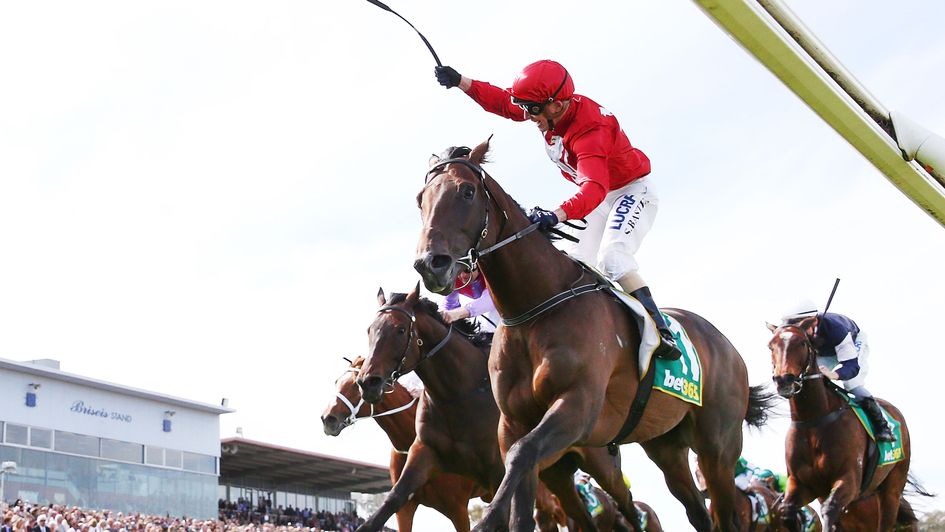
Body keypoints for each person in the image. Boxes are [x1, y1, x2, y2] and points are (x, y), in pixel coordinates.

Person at [435, 60, 681, 359]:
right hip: (601, 198)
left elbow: (593, 188)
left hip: (630, 192)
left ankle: (660, 332)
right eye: (526, 107)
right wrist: (461, 81)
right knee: (576, 265)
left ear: (556, 105)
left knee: (613, 259)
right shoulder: (545, 107)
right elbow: (505, 103)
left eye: (533, 110)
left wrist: (557, 213)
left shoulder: (589, 130)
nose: (528, 116)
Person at [782, 300, 895, 442]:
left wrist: (833, 375)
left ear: (813, 322)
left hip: (851, 343)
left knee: (852, 384)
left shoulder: (836, 330)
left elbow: (851, 366)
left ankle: (883, 427)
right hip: (824, 352)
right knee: (808, 380)